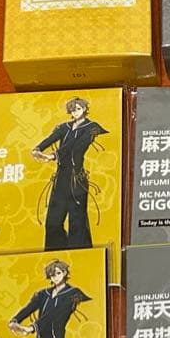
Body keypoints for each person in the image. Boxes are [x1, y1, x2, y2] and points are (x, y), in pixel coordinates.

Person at [32, 97, 108, 249]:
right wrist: (37, 149)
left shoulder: (92, 127)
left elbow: (76, 146)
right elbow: (51, 138)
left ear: (84, 109)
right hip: (60, 179)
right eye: (73, 110)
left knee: (77, 222)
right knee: (53, 222)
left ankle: (81, 254)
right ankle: (55, 252)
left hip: (76, 180)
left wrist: (53, 155)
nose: (75, 112)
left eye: (78, 109)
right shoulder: (64, 127)